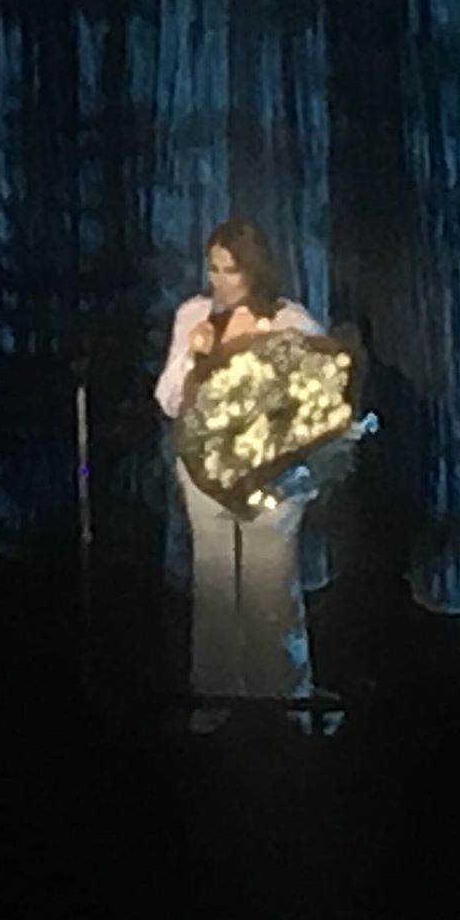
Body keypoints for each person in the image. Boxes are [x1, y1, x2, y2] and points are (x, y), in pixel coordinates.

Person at [153, 218, 324, 733]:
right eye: (213, 269)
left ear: (256, 270)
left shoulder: (292, 322)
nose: (220, 281)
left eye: (231, 270)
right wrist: (193, 356)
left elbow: (319, 405)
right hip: (206, 475)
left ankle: (286, 699)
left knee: (271, 590)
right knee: (214, 587)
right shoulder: (193, 315)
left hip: (271, 478)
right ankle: (215, 695)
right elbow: (167, 399)